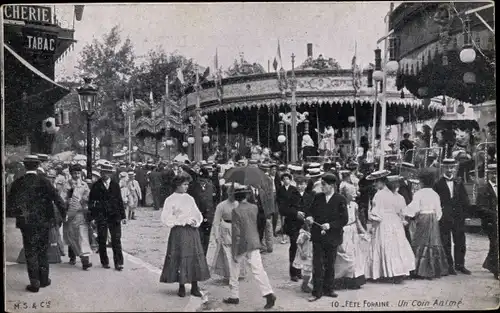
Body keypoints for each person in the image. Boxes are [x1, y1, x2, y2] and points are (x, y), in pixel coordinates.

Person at [7, 155, 66, 292]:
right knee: (42, 251)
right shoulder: (44, 181)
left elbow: (10, 205)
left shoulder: (18, 182)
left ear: (25, 165)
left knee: (30, 251)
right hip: (44, 222)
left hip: (26, 223)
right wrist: (62, 216)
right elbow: (58, 200)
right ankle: (44, 280)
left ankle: (34, 282)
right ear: (37, 165)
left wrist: (19, 215)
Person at [223, 185, 277, 309]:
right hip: (254, 241)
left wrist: (235, 252)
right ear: (247, 195)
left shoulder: (235, 211)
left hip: (242, 243)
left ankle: (234, 295)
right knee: (258, 269)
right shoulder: (254, 208)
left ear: (235, 197)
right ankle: (268, 293)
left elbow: (236, 233)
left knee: (234, 269)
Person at [159, 173, 210, 297]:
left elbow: (196, 212)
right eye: (184, 184)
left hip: (191, 231)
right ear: (177, 185)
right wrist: (181, 221)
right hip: (179, 232)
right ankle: (181, 286)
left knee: (194, 257)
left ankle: (195, 286)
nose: (186, 187)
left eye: (187, 184)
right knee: (181, 256)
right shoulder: (170, 199)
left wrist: (195, 220)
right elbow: (166, 217)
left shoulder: (189, 198)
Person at [301, 173, 348, 301]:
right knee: (317, 264)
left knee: (330, 263)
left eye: (324, 184)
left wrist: (330, 225)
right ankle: (317, 292)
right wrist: (310, 217)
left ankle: (329, 289)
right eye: (321, 184)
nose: (322, 187)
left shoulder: (340, 199)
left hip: (333, 237)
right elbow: (310, 211)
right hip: (318, 236)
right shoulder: (317, 197)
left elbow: (344, 219)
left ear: (332, 185)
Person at [365, 170, 415, 283]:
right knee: (395, 246)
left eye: (376, 182)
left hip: (384, 222)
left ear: (382, 182)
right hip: (395, 222)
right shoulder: (396, 196)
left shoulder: (379, 195)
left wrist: (373, 223)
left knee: (384, 245)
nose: (374, 185)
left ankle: (385, 272)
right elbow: (401, 212)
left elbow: (375, 213)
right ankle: (396, 271)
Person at [403, 169, 449, 280]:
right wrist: (434, 218)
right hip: (432, 218)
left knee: (419, 241)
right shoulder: (435, 194)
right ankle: (433, 269)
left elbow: (414, 208)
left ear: (422, 182)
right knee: (433, 241)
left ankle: (419, 270)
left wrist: (404, 212)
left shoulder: (419, 193)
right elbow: (439, 211)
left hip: (423, 218)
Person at [433, 159, 471, 275]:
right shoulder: (438, 183)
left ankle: (460, 265)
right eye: (447, 168)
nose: (449, 170)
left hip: (458, 216)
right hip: (445, 217)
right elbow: (436, 201)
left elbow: (465, 199)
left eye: (452, 168)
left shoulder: (459, 181)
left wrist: (466, 215)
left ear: (455, 168)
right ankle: (449, 266)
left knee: (460, 241)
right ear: (443, 168)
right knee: (446, 241)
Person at [206, 183, 248, 281]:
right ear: (228, 194)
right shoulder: (221, 206)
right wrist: (216, 235)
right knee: (227, 253)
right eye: (231, 194)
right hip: (225, 229)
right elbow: (216, 222)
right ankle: (229, 274)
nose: (233, 196)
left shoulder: (239, 204)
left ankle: (238, 272)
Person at [89, 163, 127, 271]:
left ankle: (119, 262)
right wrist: (92, 217)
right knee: (102, 238)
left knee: (116, 239)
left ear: (110, 173)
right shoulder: (96, 185)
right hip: (101, 216)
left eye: (107, 172)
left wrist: (123, 216)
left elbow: (119, 200)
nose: (105, 174)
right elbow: (91, 202)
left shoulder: (115, 185)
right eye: (103, 172)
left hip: (114, 215)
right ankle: (104, 261)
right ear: (100, 173)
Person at [334, 183, 368, 289]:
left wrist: (363, 231)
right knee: (343, 256)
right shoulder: (338, 204)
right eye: (352, 191)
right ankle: (338, 280)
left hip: (353, 232)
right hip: (343, 231)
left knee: (355, 256)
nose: (355, 193)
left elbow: (357, 220)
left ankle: (352, 280)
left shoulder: (354, 205)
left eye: (355, 191)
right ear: (345, 193)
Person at [63, 164, 93, 270]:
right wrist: (67, 201)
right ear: (71, 174)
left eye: (78, 173)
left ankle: (85, 261)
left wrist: (84, 200)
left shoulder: (84, 185)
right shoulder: (66, 185)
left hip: (81, 214)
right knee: (72, 237)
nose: (76, 175)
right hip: (70, 214)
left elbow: (89, 196)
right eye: (74, 173)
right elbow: (62, 198)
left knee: (83, 237)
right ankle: (72, 257)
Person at [276, 172, 302, 281]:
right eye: (284, 179)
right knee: (294, 246)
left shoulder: (295, 190)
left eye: (288, 179)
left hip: (303, 223)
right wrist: (295, 212)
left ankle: (300, 271)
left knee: (302, 248)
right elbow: (282, 207)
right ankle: (293, 273)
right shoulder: (280, 190)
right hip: (291, 222)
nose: (302, 186)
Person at [476, 164, 498, 279]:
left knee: (495, 244)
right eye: (492, 173)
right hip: (490, 221)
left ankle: (489, 263)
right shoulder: (483, 189)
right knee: (495, 243)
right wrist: (494, 214)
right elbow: (480, 207)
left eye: (496, 173)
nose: (495, 175)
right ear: (489, 174)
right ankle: (496, 270)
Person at [292, 222, 314, 293]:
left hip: (310, 253)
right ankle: (304, 285)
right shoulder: (304, 234)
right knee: (307, 270)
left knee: (310, 269)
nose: (310, 227)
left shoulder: (310, 233)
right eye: (309, 226)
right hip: (305, 254)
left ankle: (308, 283)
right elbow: (298, 243)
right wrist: (301, 253)